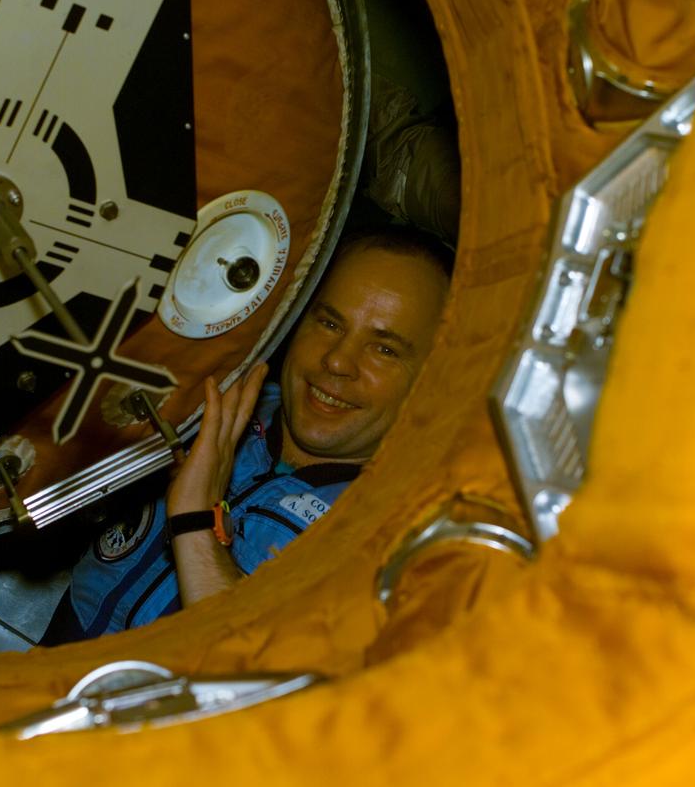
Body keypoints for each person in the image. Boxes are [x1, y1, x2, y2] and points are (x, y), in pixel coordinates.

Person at [42, 226, 452, 641]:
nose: (337, 361)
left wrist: (198, 523)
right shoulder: (213, 393)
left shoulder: (392, 542)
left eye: (384, 349)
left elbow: (261, 669)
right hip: (42, 664)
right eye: (329, 323)